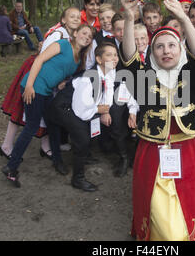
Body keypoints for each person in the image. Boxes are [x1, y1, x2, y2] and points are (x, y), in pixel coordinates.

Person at [121, 0, 195, 241]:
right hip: (152, 151)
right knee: (158, 216)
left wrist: (183, 17)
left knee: (186, 211)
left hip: (187, 149)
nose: (166, 51)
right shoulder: (145, 80)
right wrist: (129, 18)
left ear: (180, 49)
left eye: (172, 45)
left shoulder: (191, 75)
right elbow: (128, 62)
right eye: (159, 46)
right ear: (152, 52)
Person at [1, 24, 95, 188]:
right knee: (31, 126)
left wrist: (62, 82)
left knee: (53, 123)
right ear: (75, 33)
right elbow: (39, 59)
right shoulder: (63, 44)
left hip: (46, 91)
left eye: (89, 36)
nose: (86, 37)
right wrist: (29, 85)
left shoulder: (78, 59)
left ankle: (57, 160)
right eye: (84, 33)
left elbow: (60, 70)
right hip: (34, 87)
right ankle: (11, 166)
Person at [46, 42, 139, 191]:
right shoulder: (87, 78)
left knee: (94, 127)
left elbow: (117, 94)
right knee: (82, 136)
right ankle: (78, 178)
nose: (114, 58)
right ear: (99, 59)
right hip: (64, 108)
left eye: (116, 55)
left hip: (84, 108)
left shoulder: (112, 73)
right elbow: (80, 109)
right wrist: (99, 110)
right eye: (109, 55)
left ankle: (86, 154)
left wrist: (129, 112)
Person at [0, 7, 82, 160]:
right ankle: (9, 148)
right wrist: (32, 83)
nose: (76, 19)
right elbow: (43, 57)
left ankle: (46, 145)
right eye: (72, 16)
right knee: (23, 109)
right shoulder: (59, 34)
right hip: (37, 75)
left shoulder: (69, 36)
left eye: (78, 17)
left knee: (47, 112)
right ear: (63, 20)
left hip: (48, 79)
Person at [85, 3, 117, 69]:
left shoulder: (122, 34)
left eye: (108, 17)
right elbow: (89, 64)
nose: (105, 21)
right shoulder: (96, 39)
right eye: (102, 19)